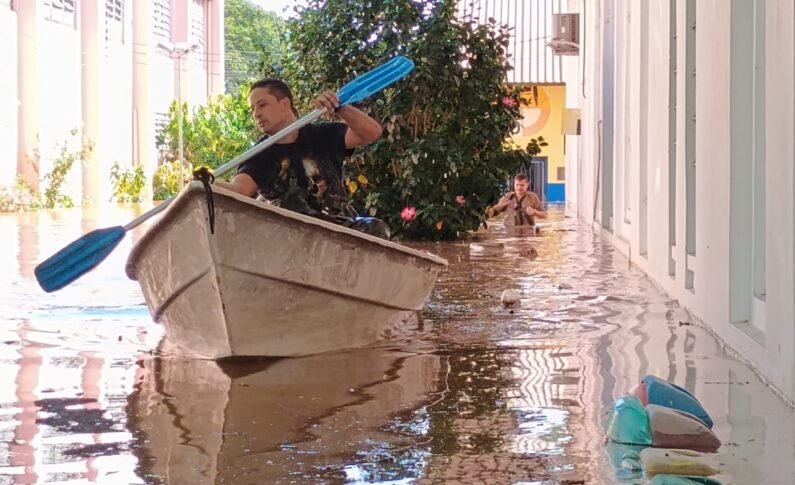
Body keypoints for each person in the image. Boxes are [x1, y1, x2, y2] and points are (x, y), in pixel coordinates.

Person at [213, 78, 388, 235]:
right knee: (292, 202)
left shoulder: (321, 135)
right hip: (287, 238)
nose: (256, 114)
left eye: (262, 105)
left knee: (376, 228)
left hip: (338, 228)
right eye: (253, 108)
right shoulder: (258, 155)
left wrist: (339, 107)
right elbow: (239, 190)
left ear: (284, 104)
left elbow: (371, 133)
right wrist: (205, 182)